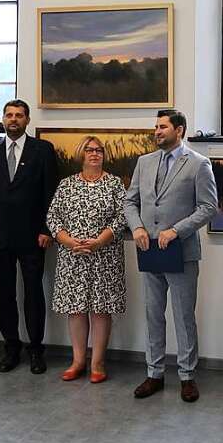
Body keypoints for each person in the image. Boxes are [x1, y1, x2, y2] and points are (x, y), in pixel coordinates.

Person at [124, 109, 217, 403]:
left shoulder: (199, 165)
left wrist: (176, 230)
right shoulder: (144, 162)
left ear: (180, 130)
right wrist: (137, 227)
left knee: (183, 316)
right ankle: (155, 373)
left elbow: (208, 207)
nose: (157, 131)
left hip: (182, 252)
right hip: (149, 251)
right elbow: (130, 201)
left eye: (163, 127)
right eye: (156, 127)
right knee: (153, 315)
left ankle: (187, 376)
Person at [0, 99, 57, 374]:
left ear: (27, 120)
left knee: (33, 293)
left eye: (19, 115)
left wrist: (47, 229)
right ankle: (11, 347)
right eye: (9, 115)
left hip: (33, 236)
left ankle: (35, 349)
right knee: (4, 294)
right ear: (3, 119)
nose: (14, 119)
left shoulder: (42, 150)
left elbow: (50, 194)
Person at [46, 136, 127, 383]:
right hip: (73, 256)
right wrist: (68, 241)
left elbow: (123, 217)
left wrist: (101, 240)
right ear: (81, 154)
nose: (94, 154)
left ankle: (98, 362)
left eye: (99, 150)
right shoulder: (66, 185)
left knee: (101, 310)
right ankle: (78, 360)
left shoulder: (114, 184)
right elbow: (52, 217)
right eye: (89, 150)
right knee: (77, 309)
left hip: (105, 256)